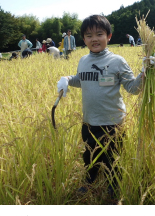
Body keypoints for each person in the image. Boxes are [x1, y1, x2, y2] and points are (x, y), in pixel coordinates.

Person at [57, 15, 144, 199]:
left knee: (113, 159)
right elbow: (82, 80)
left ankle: (114, 188)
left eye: (99, 34)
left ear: (109, 36)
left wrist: (145, 73)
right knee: (90, 157)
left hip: (113, 122)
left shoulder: (117, 61)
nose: (94, 39)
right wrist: (66, 79)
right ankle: (90, 180)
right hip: (89, 121)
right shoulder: (83, 60)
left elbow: (133, 88)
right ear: (84, 39)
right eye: (89, 35)